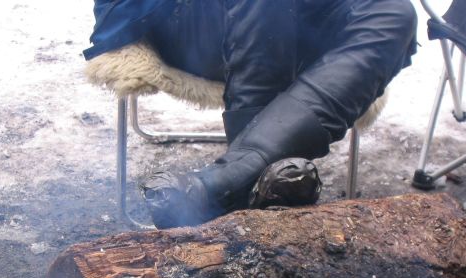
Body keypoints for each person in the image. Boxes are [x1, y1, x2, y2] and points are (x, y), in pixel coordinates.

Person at [84, 0, 418, 228]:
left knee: (394, 12)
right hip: (182, 18)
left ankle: (230, 182)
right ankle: (256, 191)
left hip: (305, 21)